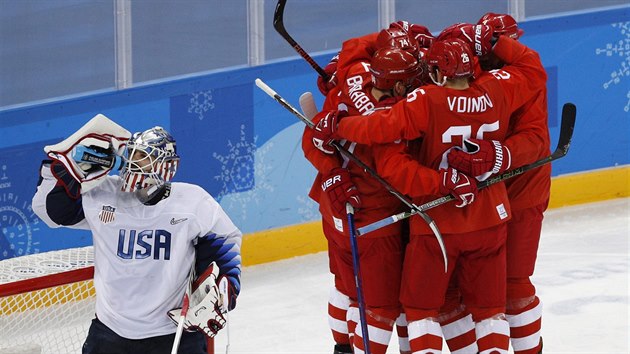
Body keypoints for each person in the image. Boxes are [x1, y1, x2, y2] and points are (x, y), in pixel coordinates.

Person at [311, 28, 547, 352]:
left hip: (431, 222)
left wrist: (335, 126)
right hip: (488, 214)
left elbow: (384, 142)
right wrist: (496, 43)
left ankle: (343, 346)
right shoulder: (495, 90)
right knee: (489, 310)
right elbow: (532, 70)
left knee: (408, 307)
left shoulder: (395, 92)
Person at [32, 118, 242, 354]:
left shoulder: (192, 202)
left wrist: (225, 286)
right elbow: (50, 213)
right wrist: (63, 169)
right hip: (110, 331)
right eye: (131, 155)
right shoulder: (104, 194)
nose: (132, 163)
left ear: (166, 166)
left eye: (143, 157)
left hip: (173, 332)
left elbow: (226, 241)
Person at [304, 30, 426, 353]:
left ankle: (342, 349)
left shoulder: (349, 80)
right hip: (374, 222)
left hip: (335, 213)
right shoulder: (397, 117)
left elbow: (311, 137)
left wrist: (331, 173)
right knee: (383, 308)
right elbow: (399, 172)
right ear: (399, 86)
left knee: (347, 290)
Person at [446, 13, 550, 354]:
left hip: (522, 193)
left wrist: (498, 155)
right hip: (481, 198)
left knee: (513, 285)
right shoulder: (469, 75)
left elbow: (535, 140)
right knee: (464, 291)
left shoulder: (525, 78)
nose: (513, 47)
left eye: (510, 42)